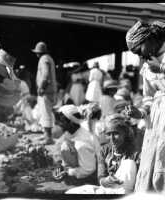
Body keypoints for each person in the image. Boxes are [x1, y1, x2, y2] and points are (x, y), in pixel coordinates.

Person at [125, 20, 165, 192]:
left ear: (150, 40)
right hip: (156, 124)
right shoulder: (147, 67)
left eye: (139, 49)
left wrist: (162, 68)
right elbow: (148, 97)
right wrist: (140, 113)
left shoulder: (158, 62)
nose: (140, 56)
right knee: (153, 165)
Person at [66, 114, 139, 194]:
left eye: (116, 133)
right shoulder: (104, 150)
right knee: (72, 192)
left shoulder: (134, 152)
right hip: (107, 190)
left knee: (129, 163)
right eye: (108, 134)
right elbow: (101, 178)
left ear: (125, 134)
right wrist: (106, 181)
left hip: (123, 191)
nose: (112, 138)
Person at [52, 104, 100, 185]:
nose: (58, 123)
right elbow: (58, 153)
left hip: (92, 173)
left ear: (71, 122)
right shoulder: (71, 132)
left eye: (61, 121)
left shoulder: (81, 143)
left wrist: (68, 172)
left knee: (66, 147)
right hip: (82, 164)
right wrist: (59, 166)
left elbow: (89, 169)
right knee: (64, 145)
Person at [32, 41, 57, 145]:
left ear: (39, 52)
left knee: (46, 113)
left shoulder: (44, 59)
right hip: (48, 90)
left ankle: (49, 138)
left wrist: (42, 87)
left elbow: (46, 75)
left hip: (46, 91)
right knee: (45, 113)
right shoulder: (48, 58)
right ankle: (46, 135)